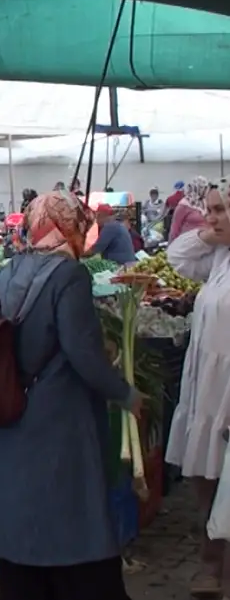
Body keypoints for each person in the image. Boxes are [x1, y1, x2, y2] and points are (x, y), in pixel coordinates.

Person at [0, 190, 139, 600]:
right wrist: (125, 393)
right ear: (70, 226)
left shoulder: (7, 272)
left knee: (17, 540)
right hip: (57, 425)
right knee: (72, 534)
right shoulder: (69, 276)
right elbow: (83, 354)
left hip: (9, 415)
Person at [164, 183, 230, 597]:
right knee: (206, 475)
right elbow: (177, 255)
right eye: (210, 210)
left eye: (222, 210)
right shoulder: (219, 258)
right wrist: (211, 233)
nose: (213, 217)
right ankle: (213, 559)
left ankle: (219, 569)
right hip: (205, 383)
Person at [169, 176, 210, 244]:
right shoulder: (184, 205)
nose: (206, 191)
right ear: (197, 188)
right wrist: (171, 247)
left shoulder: (205, 202)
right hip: (187, 244)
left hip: (205, 243)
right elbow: (174, 229)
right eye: (204, 188)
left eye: (206, 188)